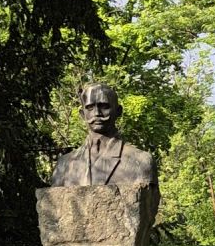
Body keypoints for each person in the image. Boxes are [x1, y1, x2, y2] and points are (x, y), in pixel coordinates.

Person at [50, 82, 159, 215]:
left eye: (104, 106)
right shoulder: (64, 165)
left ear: (118, 111)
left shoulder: (141, 162)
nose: (97, 113)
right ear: (82, 114)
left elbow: (148, 212)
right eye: (89, 107)